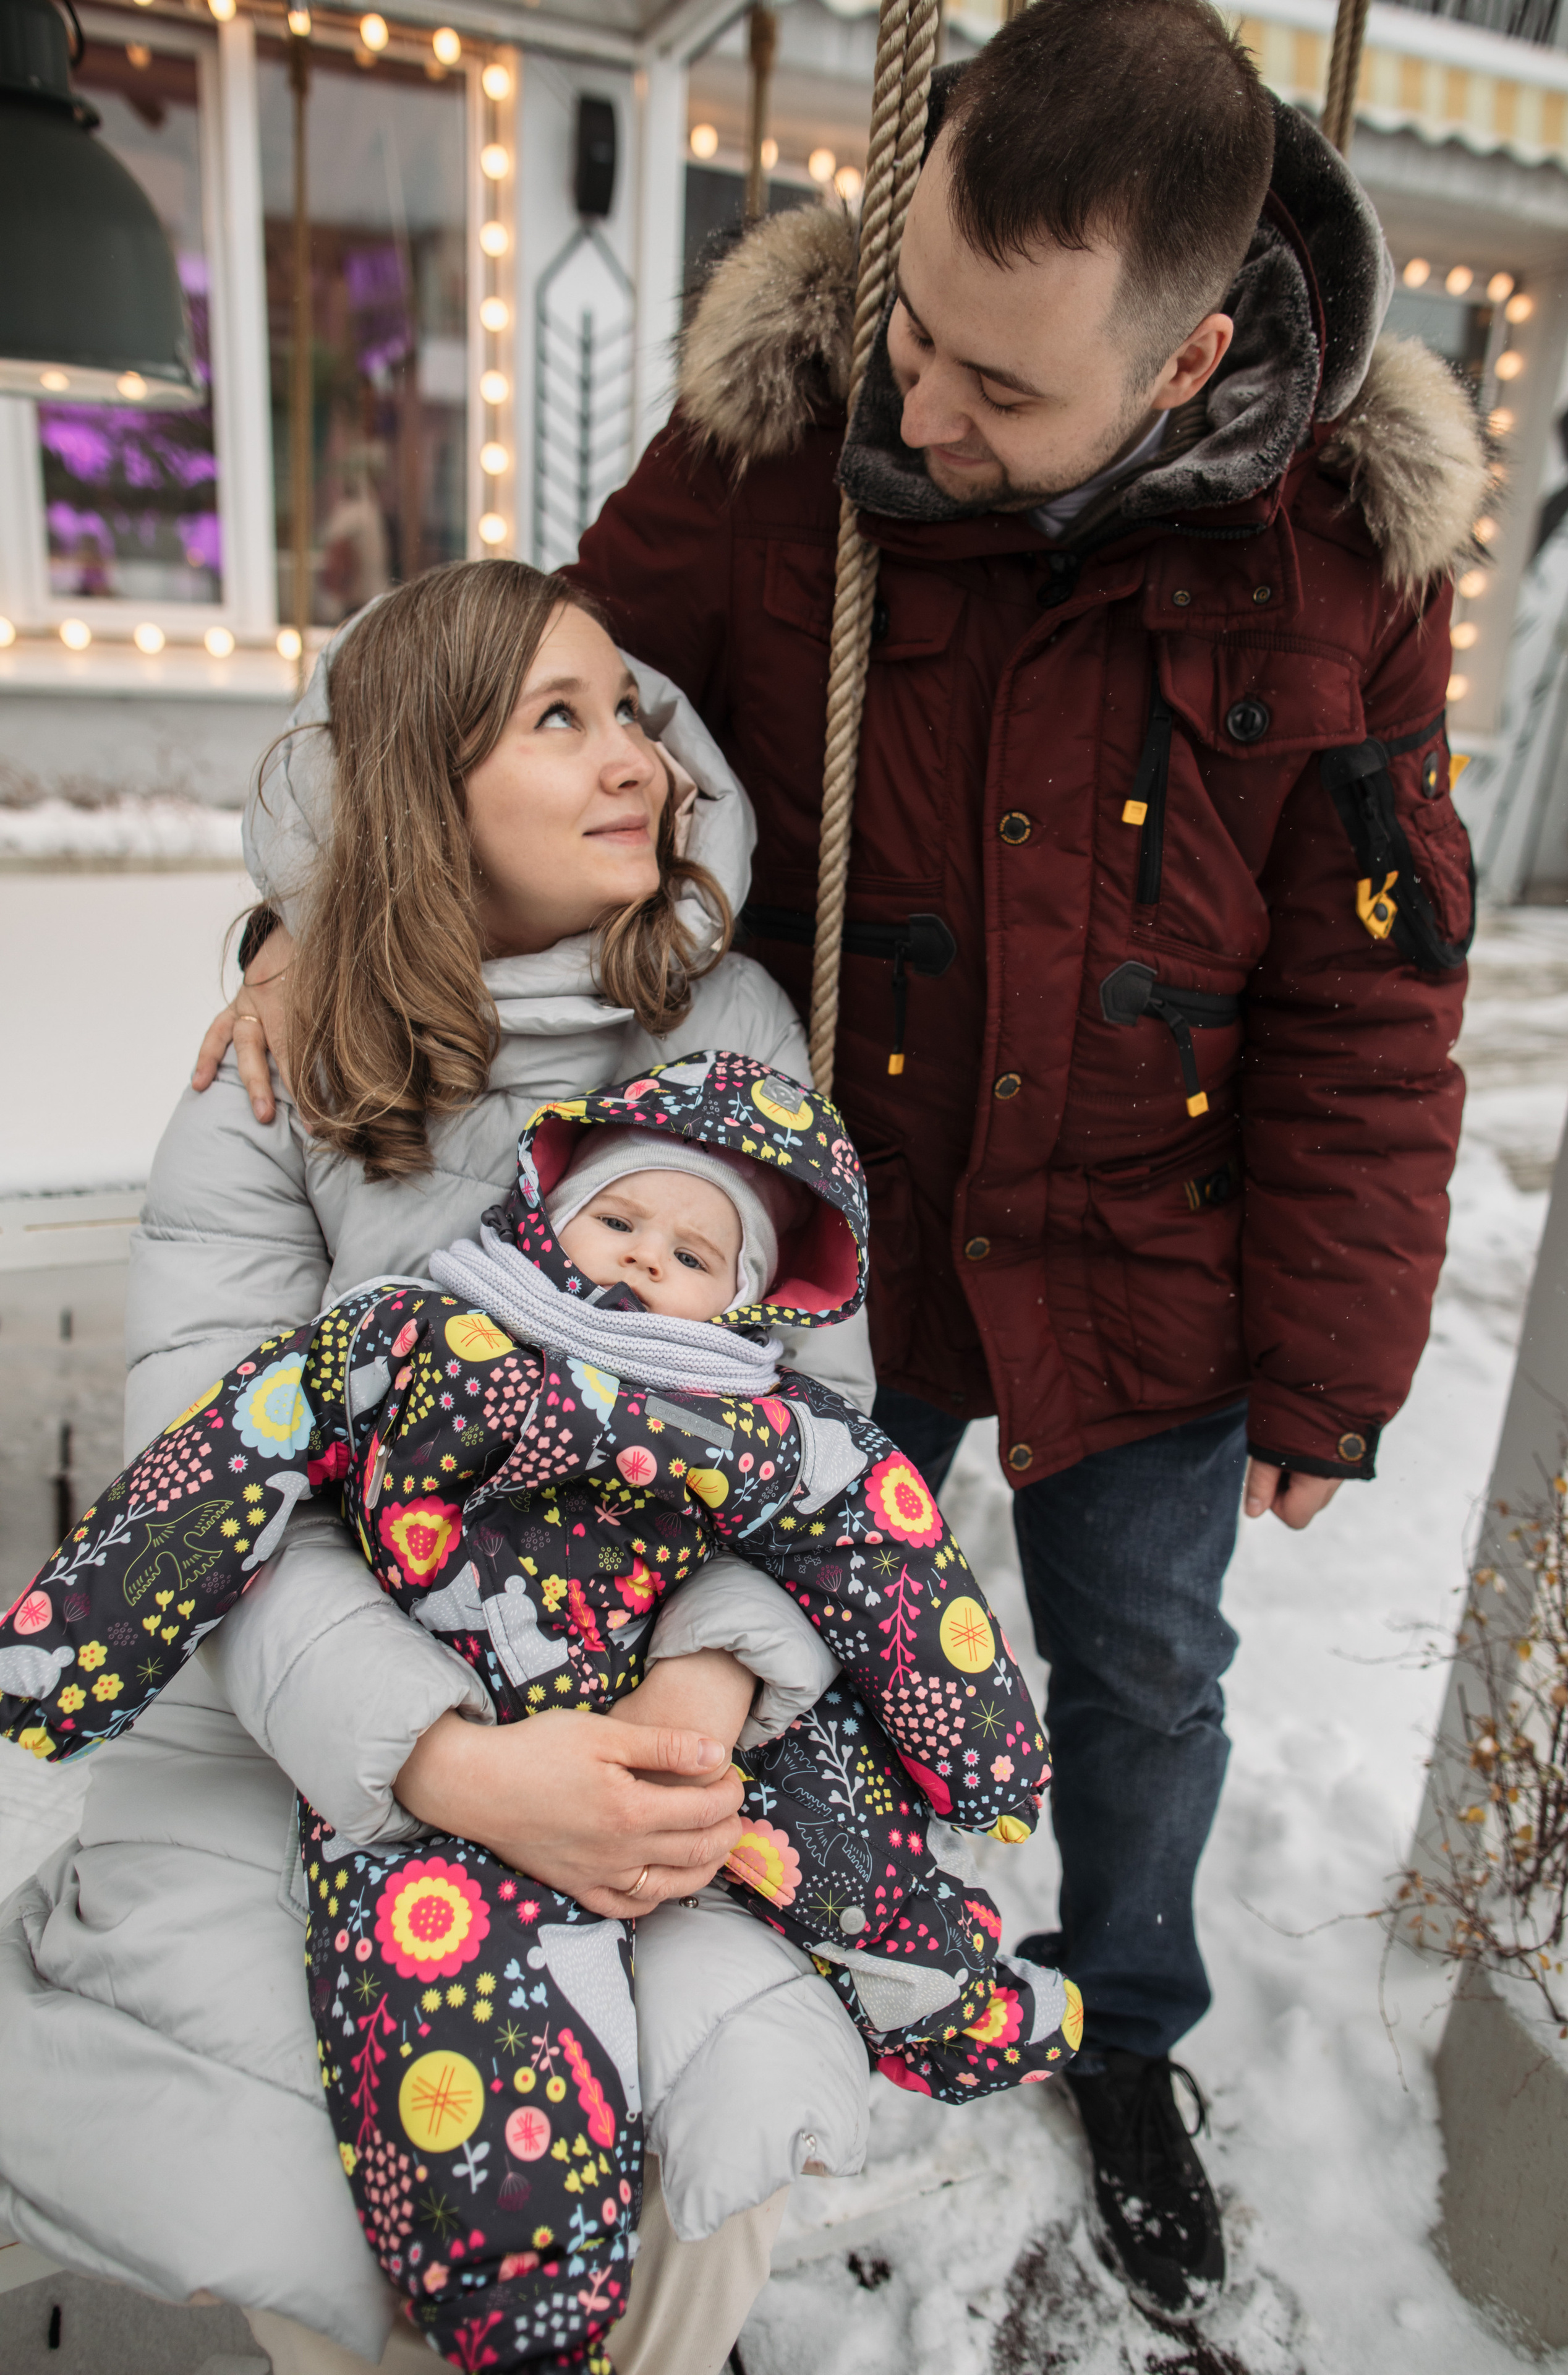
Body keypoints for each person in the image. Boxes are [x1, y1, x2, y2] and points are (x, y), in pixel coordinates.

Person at [554, 0, 1486, 2317]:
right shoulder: (786, 433)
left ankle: (1131, 2027)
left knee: (1145, 1677)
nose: (925, 406)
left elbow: (1373, 987)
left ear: (1185, 366)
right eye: (915, 327)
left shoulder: (1346, 561)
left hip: (1145, 1260)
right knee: (774, 1620)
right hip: (834, 1229)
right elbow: (529, 714)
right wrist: (318, 919)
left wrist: (1333, 1357)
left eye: (999, 384)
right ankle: (804, 1949)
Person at [0, 561, 892, 2374]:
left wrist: (702, 1697)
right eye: (558, 721)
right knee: (328, 2167)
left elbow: (815, 1438)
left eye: (627, 710)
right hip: (308, 1693)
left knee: (700, 2144)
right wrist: (446, 1763)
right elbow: (208, 1489)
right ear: (426, 791)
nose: (634, 756)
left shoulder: (724, 1031)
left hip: (653, 1668)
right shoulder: (279, 1067)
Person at [5, 1061, 1079, 2369]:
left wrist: (983, 1743)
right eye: (617, 1219)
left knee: (841, 1837)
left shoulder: (762, 1414)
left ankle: (949, 1995)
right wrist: (70, 1644)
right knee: (455, 1985)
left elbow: (888, 1548)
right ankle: (520, 2305)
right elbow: (241, 1447)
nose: (643, 1258)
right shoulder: (422, 1330)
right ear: (547, 1210)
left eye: (693, 1254)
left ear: (746, 1301)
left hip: (681, 1717)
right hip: (460, 1726)